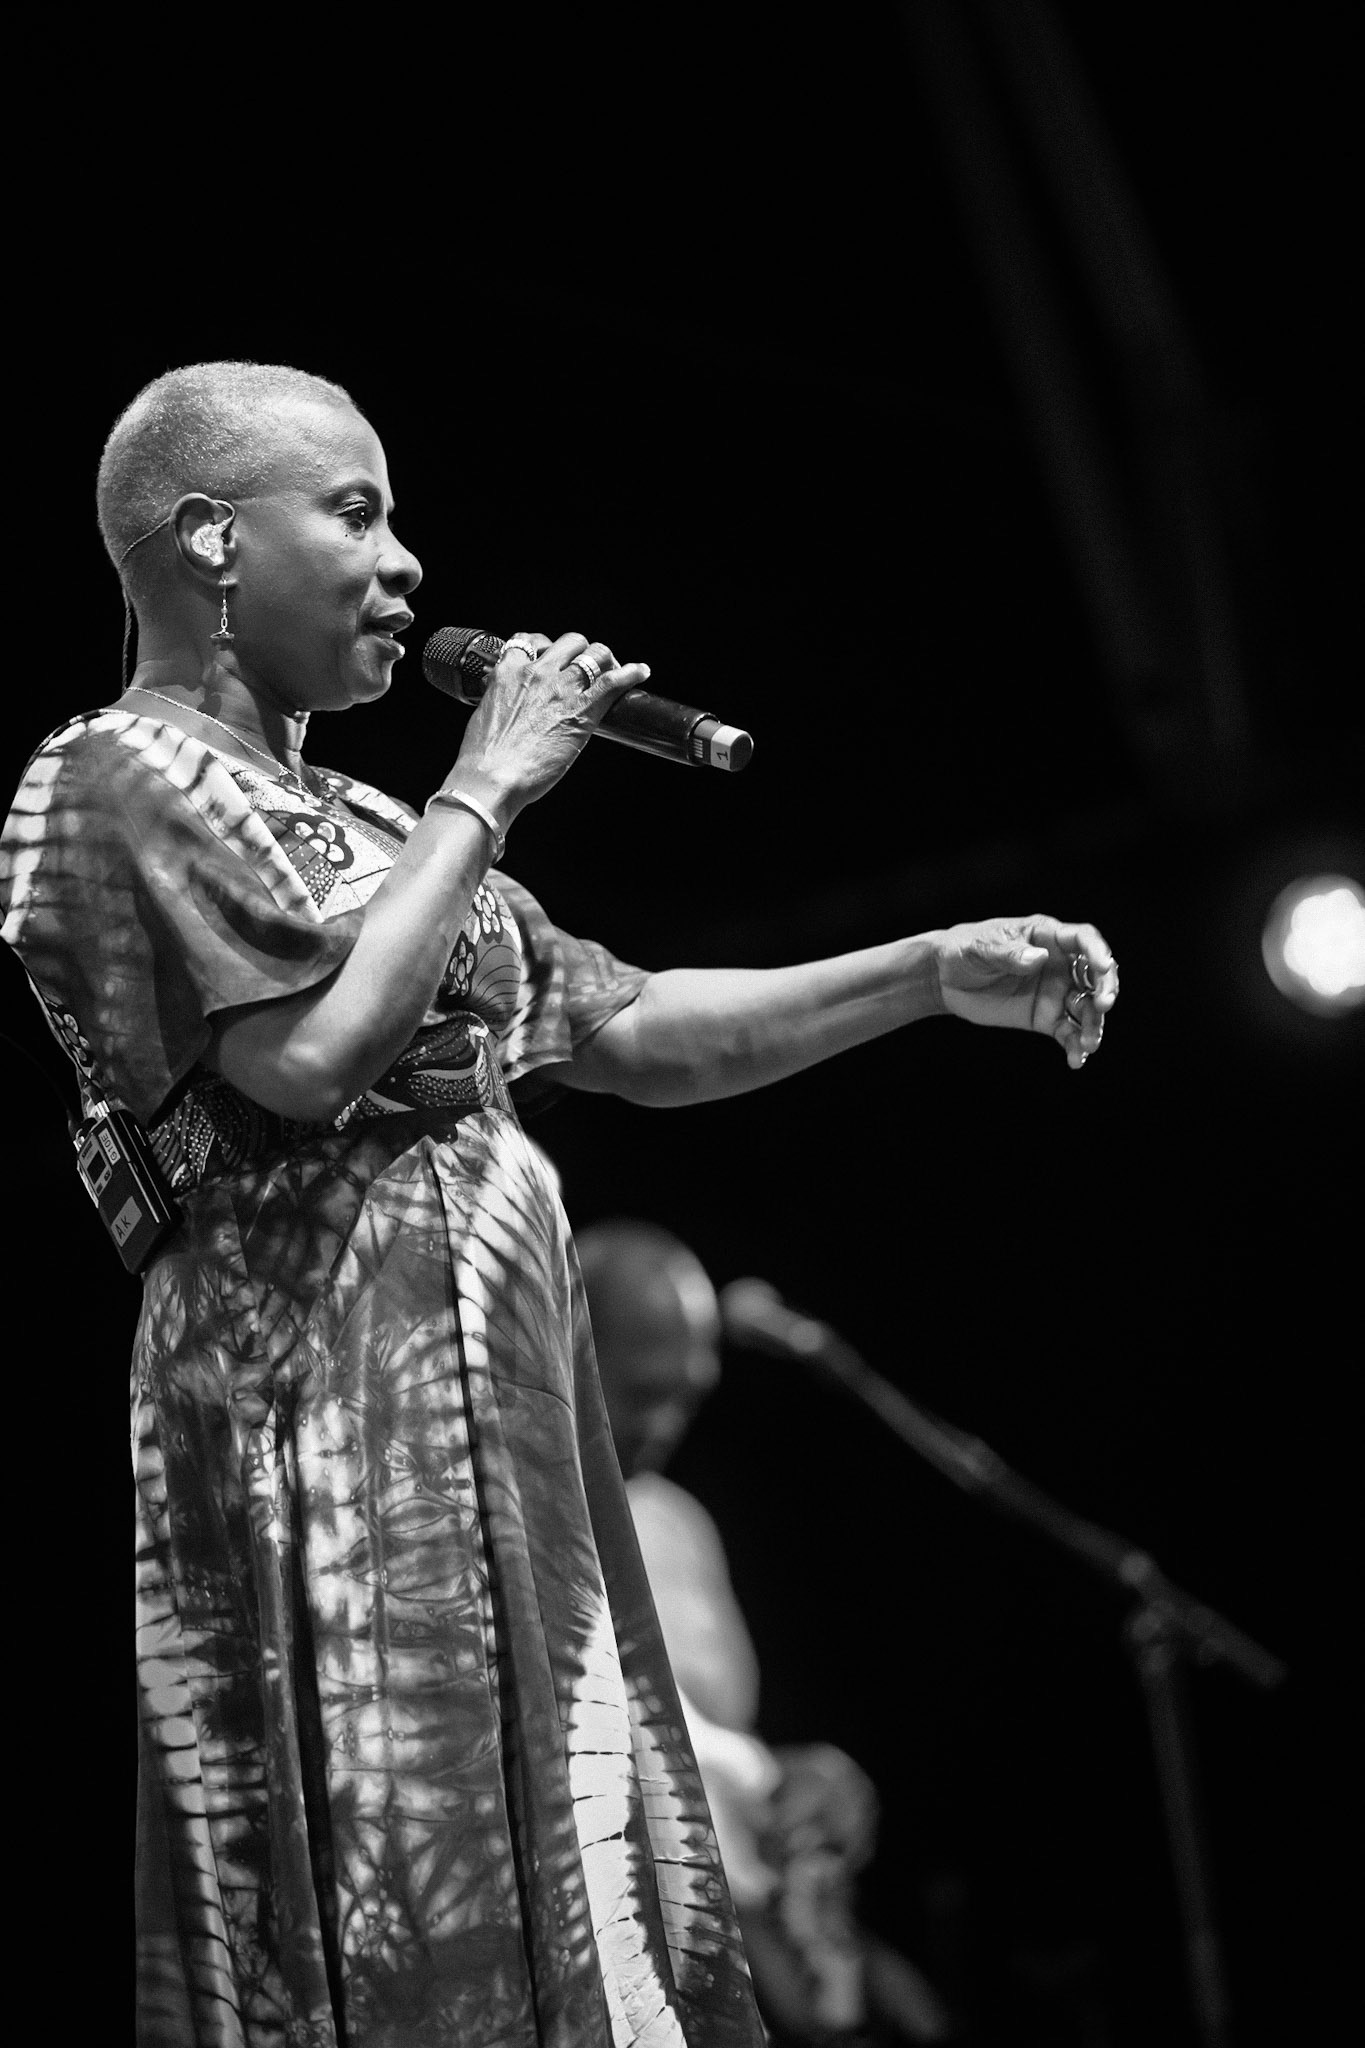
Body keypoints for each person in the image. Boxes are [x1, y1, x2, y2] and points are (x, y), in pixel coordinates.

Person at [0, 361, 1117, 2048]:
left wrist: (928, 974)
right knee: (394, 1859)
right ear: (215, 540)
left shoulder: (384, 823)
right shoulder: (110, 775)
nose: (408, 565)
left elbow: (635, 1025)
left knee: (569, 1856)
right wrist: (492, 781)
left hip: (499, 1424)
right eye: (357, 514)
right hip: (318, 1404)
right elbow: (306, 1058)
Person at [578, 1220, 962, 2046]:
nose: (669, 1424)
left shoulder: (678, 1524)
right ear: (566, 1353)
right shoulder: (521, 1523)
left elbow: (716, 1747)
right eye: (644, 1393)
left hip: (747, 1909)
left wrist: (802, 1792)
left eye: (689, 1396)